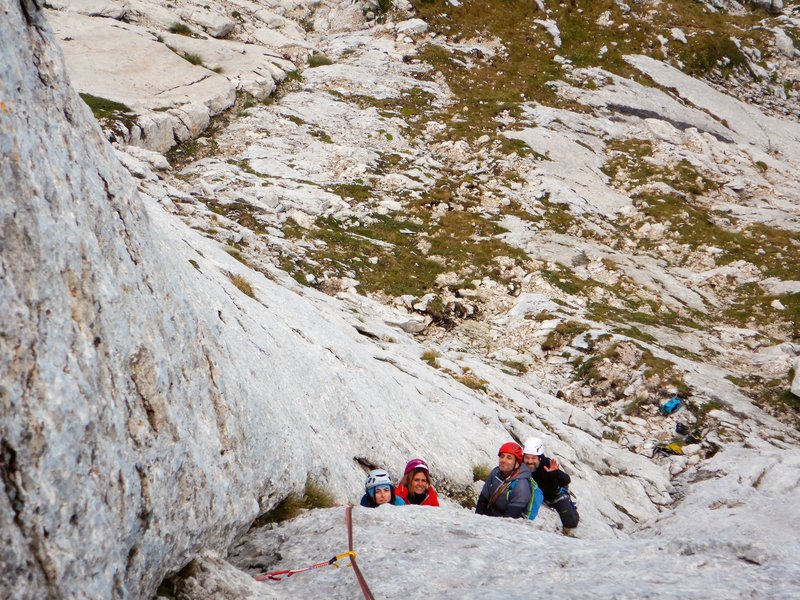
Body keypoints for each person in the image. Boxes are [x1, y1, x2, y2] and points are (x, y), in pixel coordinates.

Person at [523, 437, 579, 528]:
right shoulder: (521, 463)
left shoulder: (547, 464)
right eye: (527, 458)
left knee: (570, 522)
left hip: (554, 496)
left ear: (540, 458)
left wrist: (555, 473)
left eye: (533, 458)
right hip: (535, 492)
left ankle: (572, 508)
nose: (530, 461)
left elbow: (566, 480)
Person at [475, 442, 532, 518]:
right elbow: (483, 500)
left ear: (517, 463)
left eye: (509, 458)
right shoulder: (495, 473)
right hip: (489, 515)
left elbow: (511, 517)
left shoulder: (521, 486)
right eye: (502, 456)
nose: (503, 460)